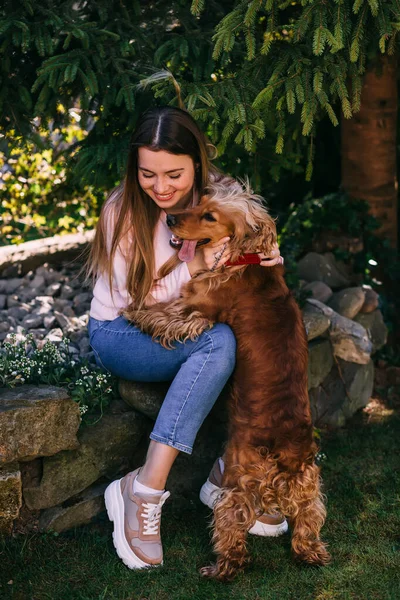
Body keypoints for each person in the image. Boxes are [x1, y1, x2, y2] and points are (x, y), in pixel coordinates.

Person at [85, 106, 286, 571]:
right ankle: (142, 491)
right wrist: (200, 268)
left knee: (252, 332)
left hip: (196, 320)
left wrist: (264, 261)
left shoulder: (225, 198)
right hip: (124, 331)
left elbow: (254, 261)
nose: (160, 188)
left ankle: (230, 474)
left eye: (174, 174)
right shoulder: (122, 212)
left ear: (198, 163)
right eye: (147, 174)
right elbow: (140, 304)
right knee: (218, 343)